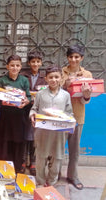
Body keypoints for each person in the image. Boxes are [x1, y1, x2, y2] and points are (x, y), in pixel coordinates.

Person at [29, 64, 73, 186]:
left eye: (56, 77)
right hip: (42, 132)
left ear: (61, 78)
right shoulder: (40, 94)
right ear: (46, 79)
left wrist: (69, 121)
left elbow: (70, 113)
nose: (54, 80)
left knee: (57, 158)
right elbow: (34, 108)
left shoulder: (65, 95)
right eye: (51, 77)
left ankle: (52, 182)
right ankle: (41, 181)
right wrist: (32, 115)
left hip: (58, 134)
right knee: (40, 158)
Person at [61, 44, 92, 190]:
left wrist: (86, 94)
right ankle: (53, 175)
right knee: (57, 149)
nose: (73, 59)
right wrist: (69, 82)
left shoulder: (87, 75)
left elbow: (86, 99)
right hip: (61, 116)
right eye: (71, 57)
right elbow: (58, 91)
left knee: (74, 150)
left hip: (77, 116)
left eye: (76, 57)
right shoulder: (62, 72)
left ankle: (73, 176)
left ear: (81, 58)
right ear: (67, 58)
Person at [0, 55, 31, 173]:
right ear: (7, 66)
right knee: (4, 143)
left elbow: (29, 97)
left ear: (20, 67)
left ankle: (17, 169)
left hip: (19, 118)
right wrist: (2, 101)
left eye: (17, 65)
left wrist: (26, 102)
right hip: (6, 118)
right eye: (12, 65)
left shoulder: (24, 80)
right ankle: (3, 170)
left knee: (18, 143)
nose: (14, 68)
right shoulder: (2, 81)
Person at [22, 51, 46, 175]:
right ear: (29, 63)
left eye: (37, 61)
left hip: (37, 112)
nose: (35, 64)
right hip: (24, 110)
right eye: (33, 61)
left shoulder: (44, 78)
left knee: (34, 137)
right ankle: (22, 160)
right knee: (24, 136)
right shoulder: (23, 75)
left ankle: (32, 162)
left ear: (41, 63)